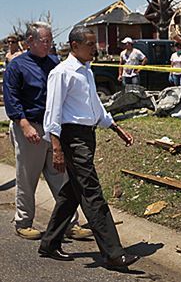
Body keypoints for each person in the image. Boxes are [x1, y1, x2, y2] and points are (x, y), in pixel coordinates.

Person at [39, 26, 139, 268]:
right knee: (91, 192)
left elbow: (95, 106)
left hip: (87, 136)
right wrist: (57, 146)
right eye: (91, 45)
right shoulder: (61, 72)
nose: (96, 49)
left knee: (72, 192)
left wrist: (115, 128)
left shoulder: (87, 71)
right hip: (72, 138)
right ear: (75, 46)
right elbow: (53, 112)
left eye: (95, 44)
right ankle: (113, 253)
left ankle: (50, 243)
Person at [3, 22, 92, 240]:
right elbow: (11, 98)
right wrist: (24, 125)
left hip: (53, 128)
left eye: (50, 41)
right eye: (45, 41)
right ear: (30, 42)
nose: (49, 45)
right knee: (27, 177)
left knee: (60, 177)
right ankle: (23, 222)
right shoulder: (17, 66)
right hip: (30, 128)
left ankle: (70, 223)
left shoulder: (53, 62)